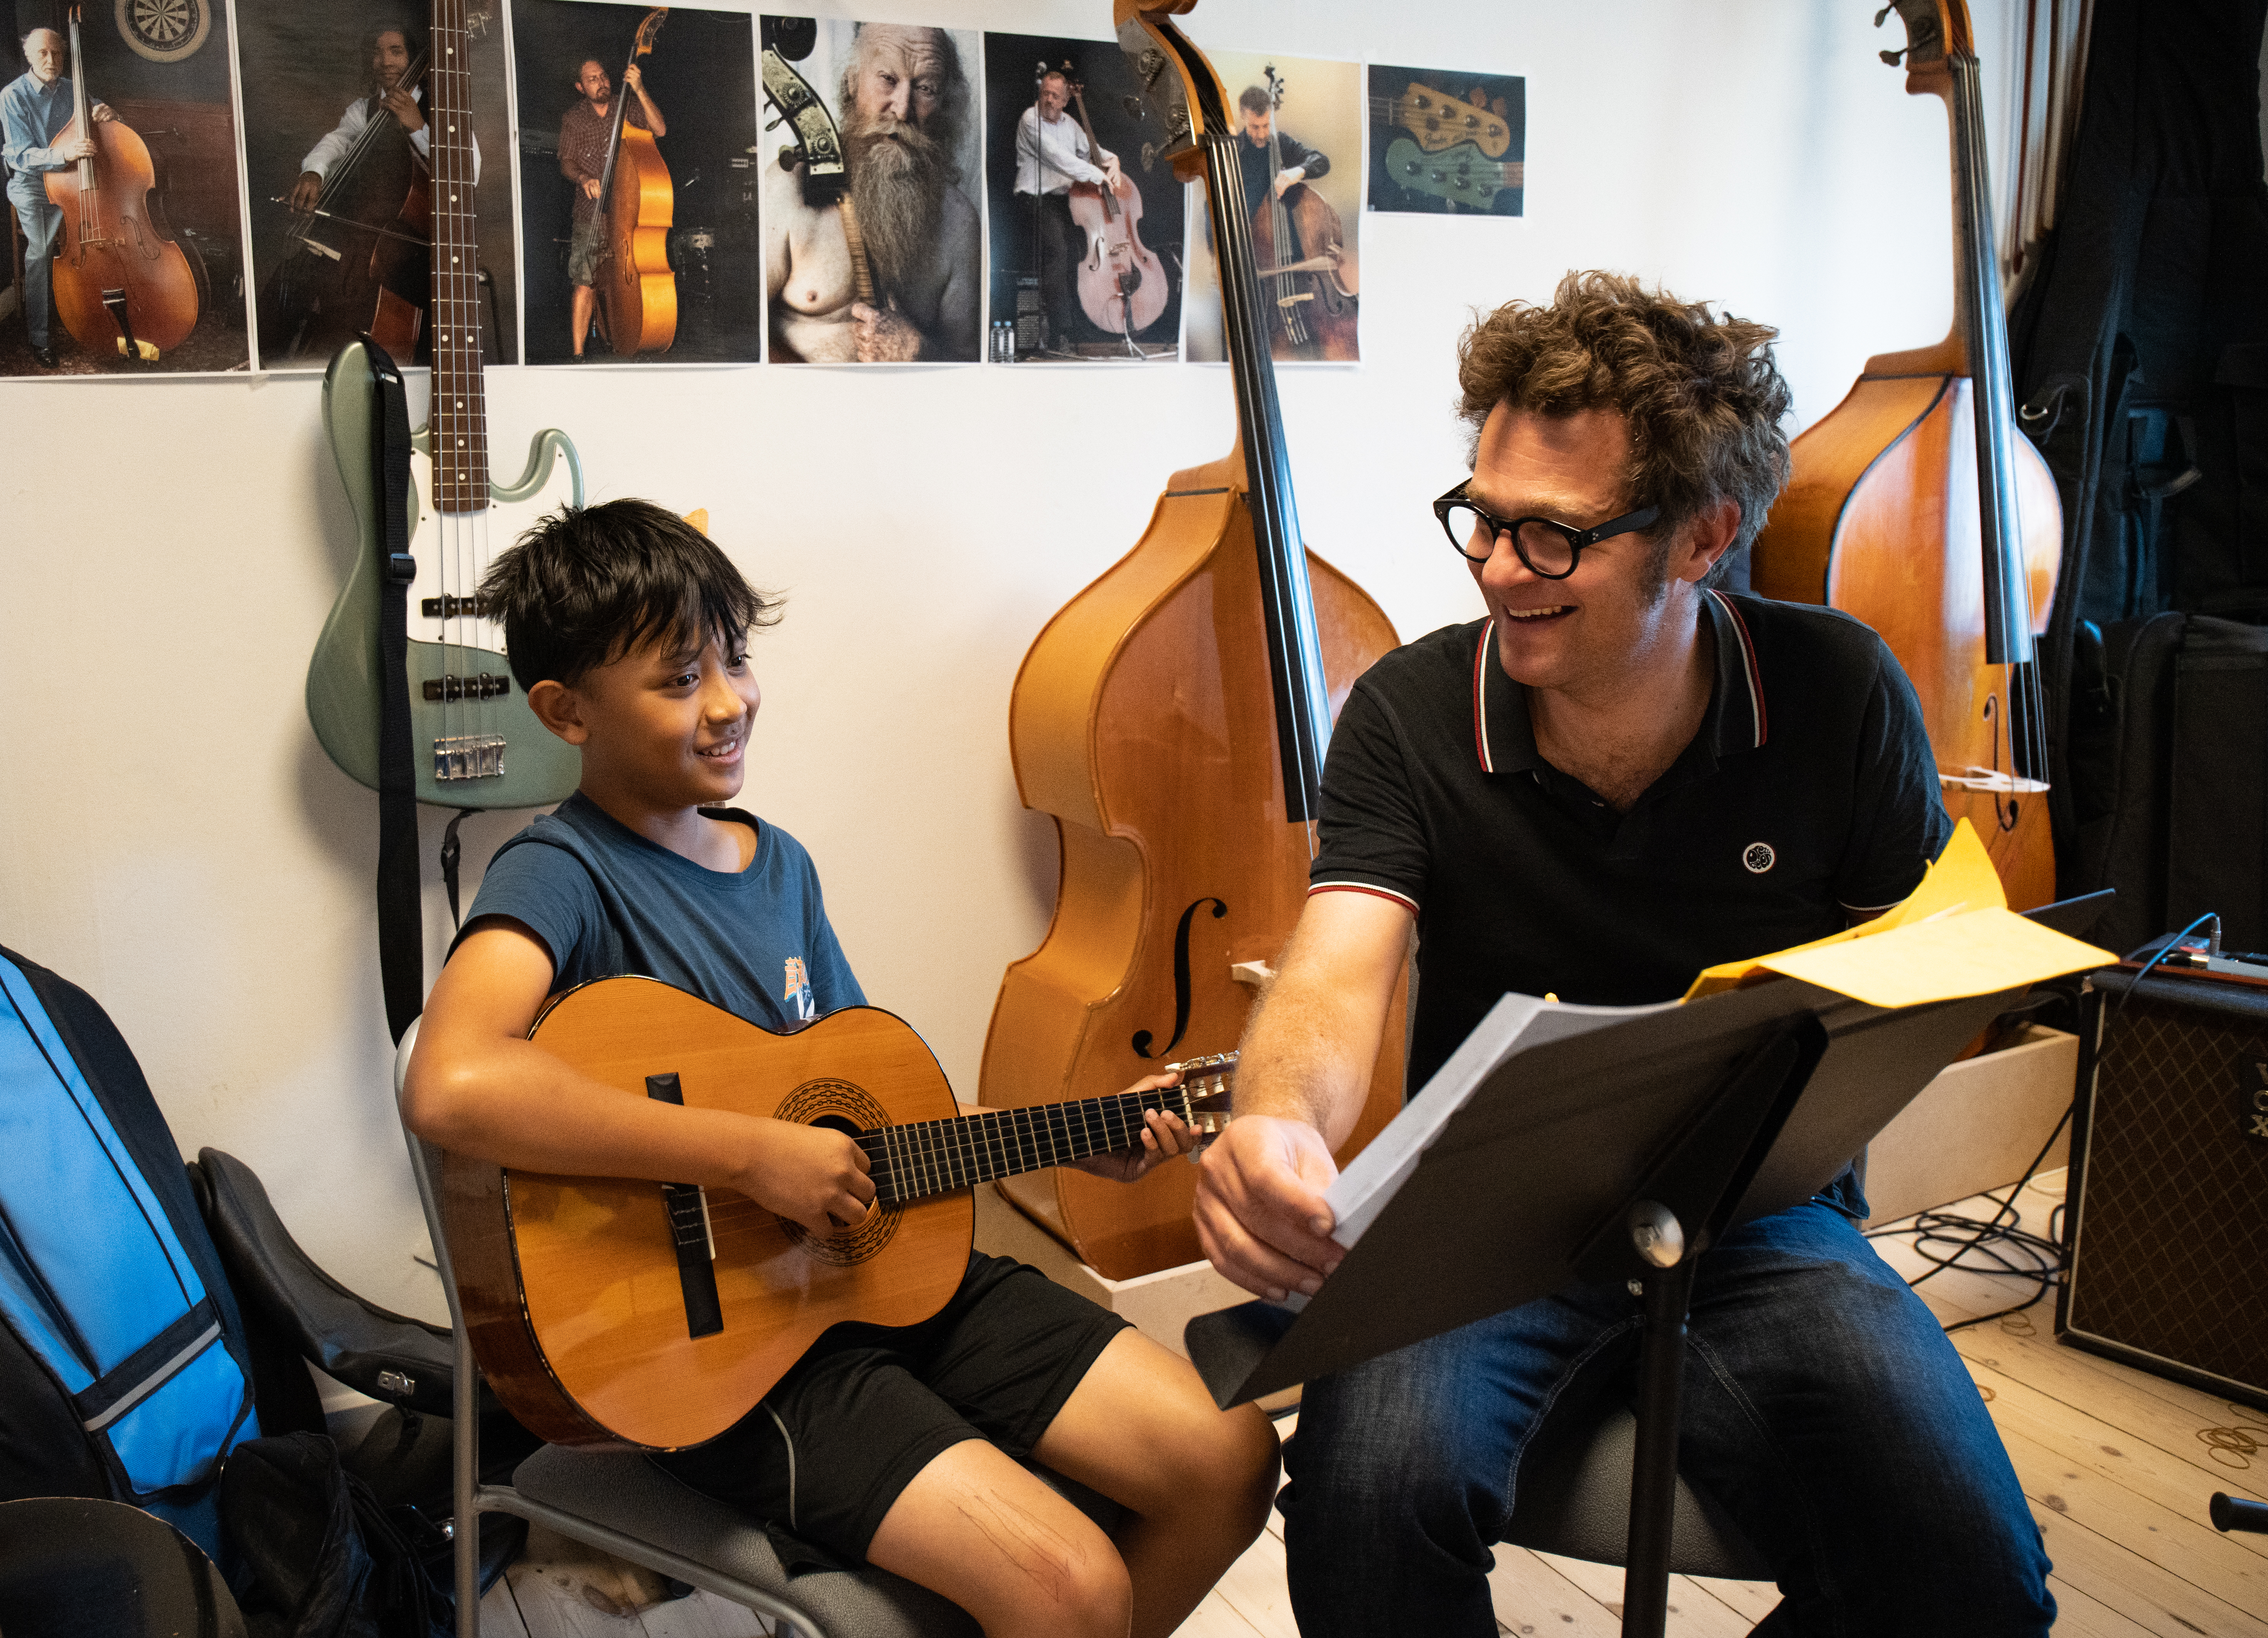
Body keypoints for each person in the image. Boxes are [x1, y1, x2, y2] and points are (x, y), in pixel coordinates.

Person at [1190, 272, 2057, 1636]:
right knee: (1365, 1506)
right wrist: (1277, 1123)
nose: (1492, 570)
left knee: (1972, 1577)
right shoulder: (1411, 714)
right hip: (1481, 1221)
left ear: (1702, 536)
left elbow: (1929, 968)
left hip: (1764, 1212)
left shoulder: (1838, 693)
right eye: (1481, 519)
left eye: (1555, 538)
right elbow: (1335, 967)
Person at [402, 500, 1278, 1638]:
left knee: (1228, 1454)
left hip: (888, 1284)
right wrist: (752, 1155)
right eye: (677, 681)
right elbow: (452, 1085)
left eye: (735, 660)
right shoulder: (560, 874)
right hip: (735, 1346)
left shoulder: (782, 868)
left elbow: (871, 1123)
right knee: (1069, 1585)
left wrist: (1072, 1138)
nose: (727, 704)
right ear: (565, 712)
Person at [765, 24, 979, 363]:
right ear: (852, 81)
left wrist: (918, 351)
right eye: (888, 79)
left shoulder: (959, 220)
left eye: (925, 88)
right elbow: (745, 335)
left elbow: (968, 364)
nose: (902, 109)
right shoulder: (788, 186)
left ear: (943, 102)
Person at [285, 21, 481, 216]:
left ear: (412, 59)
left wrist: (418, 127)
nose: (386, 62)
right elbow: (337, 142)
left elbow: (470, 175)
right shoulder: (363, 110)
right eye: (377, 53)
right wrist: (313, 173)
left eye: (396, 52)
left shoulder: (444, 109)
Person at [2, 27, 113, 369]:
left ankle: (95, 315)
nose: (52, 60)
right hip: (33, 185)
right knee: (41, 251)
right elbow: (18, 156)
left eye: (59, 54)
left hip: (71, 180)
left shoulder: (72, 89)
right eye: (43, 54)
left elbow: (97, 115)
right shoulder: (12, 95)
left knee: (101, 237)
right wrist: (63, 154)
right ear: (29, 57)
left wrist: (107, 114)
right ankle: (40, 337)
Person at [558, 54, 665, 361]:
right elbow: (566, 162)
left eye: (604, 76)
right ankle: (578, 355)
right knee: (584, 282)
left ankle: (635, 332)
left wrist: (641, 90)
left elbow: (660, 130)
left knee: (632, 276)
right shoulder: (574, 118)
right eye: (592, 79)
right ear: (581, 87)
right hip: (589, 213)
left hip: (630, 211)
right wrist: (584, 178)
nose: (601, 83)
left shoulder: (626, 106)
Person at [1011, 67, 1124, 352]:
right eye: (1045, 94)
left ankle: (1076, 329)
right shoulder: (1030, 119)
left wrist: (1115, 162)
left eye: (1055, 96)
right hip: (1035, 197)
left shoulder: (1070, 124)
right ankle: (1059, 333)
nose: (1049, 100)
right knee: (1057, 254)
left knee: (1076, 256)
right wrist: (1099, 175)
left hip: (1063, 200)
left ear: (1065, 101)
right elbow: (1060, 159)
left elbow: (1093, 150)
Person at [1233, 83, 1327, 217]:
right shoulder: (1232, 150)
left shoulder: (1281, 143)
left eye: (1266, 126)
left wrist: (1298, 172)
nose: (1261, 135)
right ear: (1243, 116)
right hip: (1249, 236)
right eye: (1255, 127)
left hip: (1288, 234)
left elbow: (1322, 161)